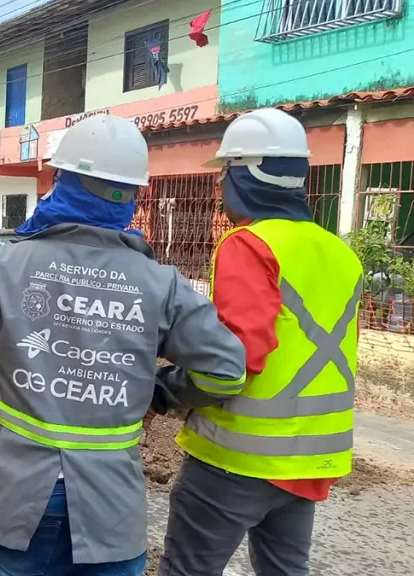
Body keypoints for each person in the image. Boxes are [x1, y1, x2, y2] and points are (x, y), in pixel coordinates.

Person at [0, 115, 247, 576]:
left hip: (14, 504)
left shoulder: (2, 267)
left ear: (62, 182)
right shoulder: (160, 283)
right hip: (111, 514)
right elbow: (225, 369)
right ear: (130, 196)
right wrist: (161, 393)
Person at [158, 108, 364, 576]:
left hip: (237, 460)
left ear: (243, 176)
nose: (220, 186)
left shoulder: (248, 244)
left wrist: (168, 389)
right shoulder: (340, 253)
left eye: (224, 174)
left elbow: (237, 360)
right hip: (310, 462)